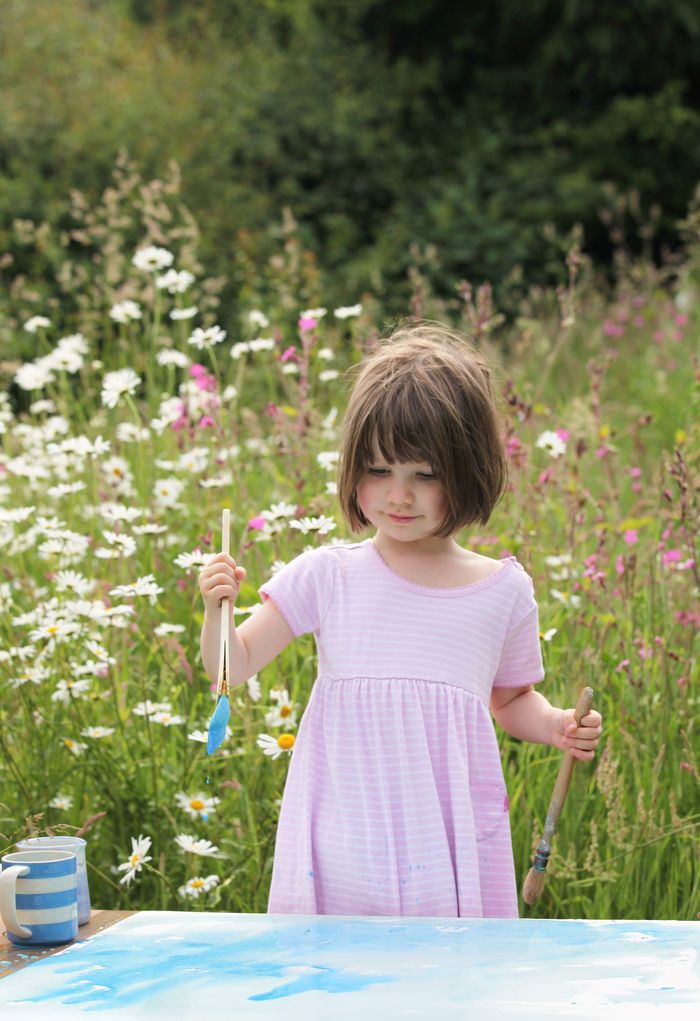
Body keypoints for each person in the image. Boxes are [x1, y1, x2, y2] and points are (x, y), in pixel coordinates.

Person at [198, 321, 603, 918]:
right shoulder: (328, 575)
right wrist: (217, 612)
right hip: (343, 839)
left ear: (468, 471)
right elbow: (232, 667)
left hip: (445, 842)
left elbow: (512, 699)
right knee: (337, 966)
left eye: (425, 475)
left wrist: (556, 725)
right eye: (380, 470)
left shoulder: (503, 591)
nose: (399, 495)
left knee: (445, 969)